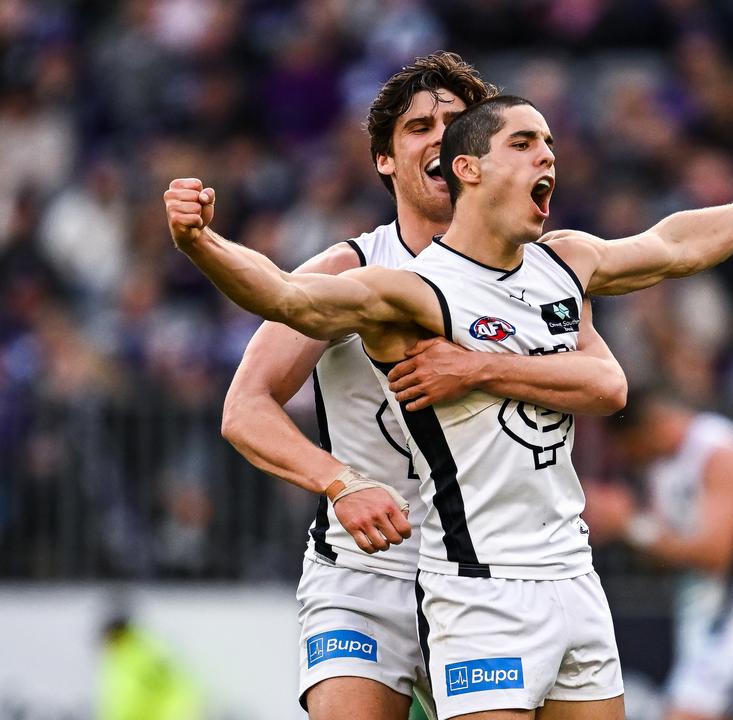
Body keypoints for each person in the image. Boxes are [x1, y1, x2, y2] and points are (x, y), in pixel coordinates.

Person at [165, 94, 733, 720]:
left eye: (548, 141)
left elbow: (672, 247)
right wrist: (201, 243)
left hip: (574, 576)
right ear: (471, 169)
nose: (547, 154)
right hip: (478, 586)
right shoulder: (414, 291)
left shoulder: (561, 264)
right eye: (524, 142)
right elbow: (290, 301)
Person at [218, 54, 627, 720]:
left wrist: (478, 368)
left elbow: (605, 379)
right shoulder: (352, 267)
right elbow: (245, 408)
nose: (440, 136)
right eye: (419, 127)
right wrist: (339, 483)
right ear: (385, 159)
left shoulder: (534, 272)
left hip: (484, 571)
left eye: (456, 123)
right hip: (366, 572)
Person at [584, 390, 733, 720]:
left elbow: (716, 555)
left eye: (629, 450)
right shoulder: (661, 468)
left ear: (647, 429)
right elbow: (665, 552)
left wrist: (630, 525)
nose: (629, 460)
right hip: (699, 632)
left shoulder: (721, 454)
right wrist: (624, 524)